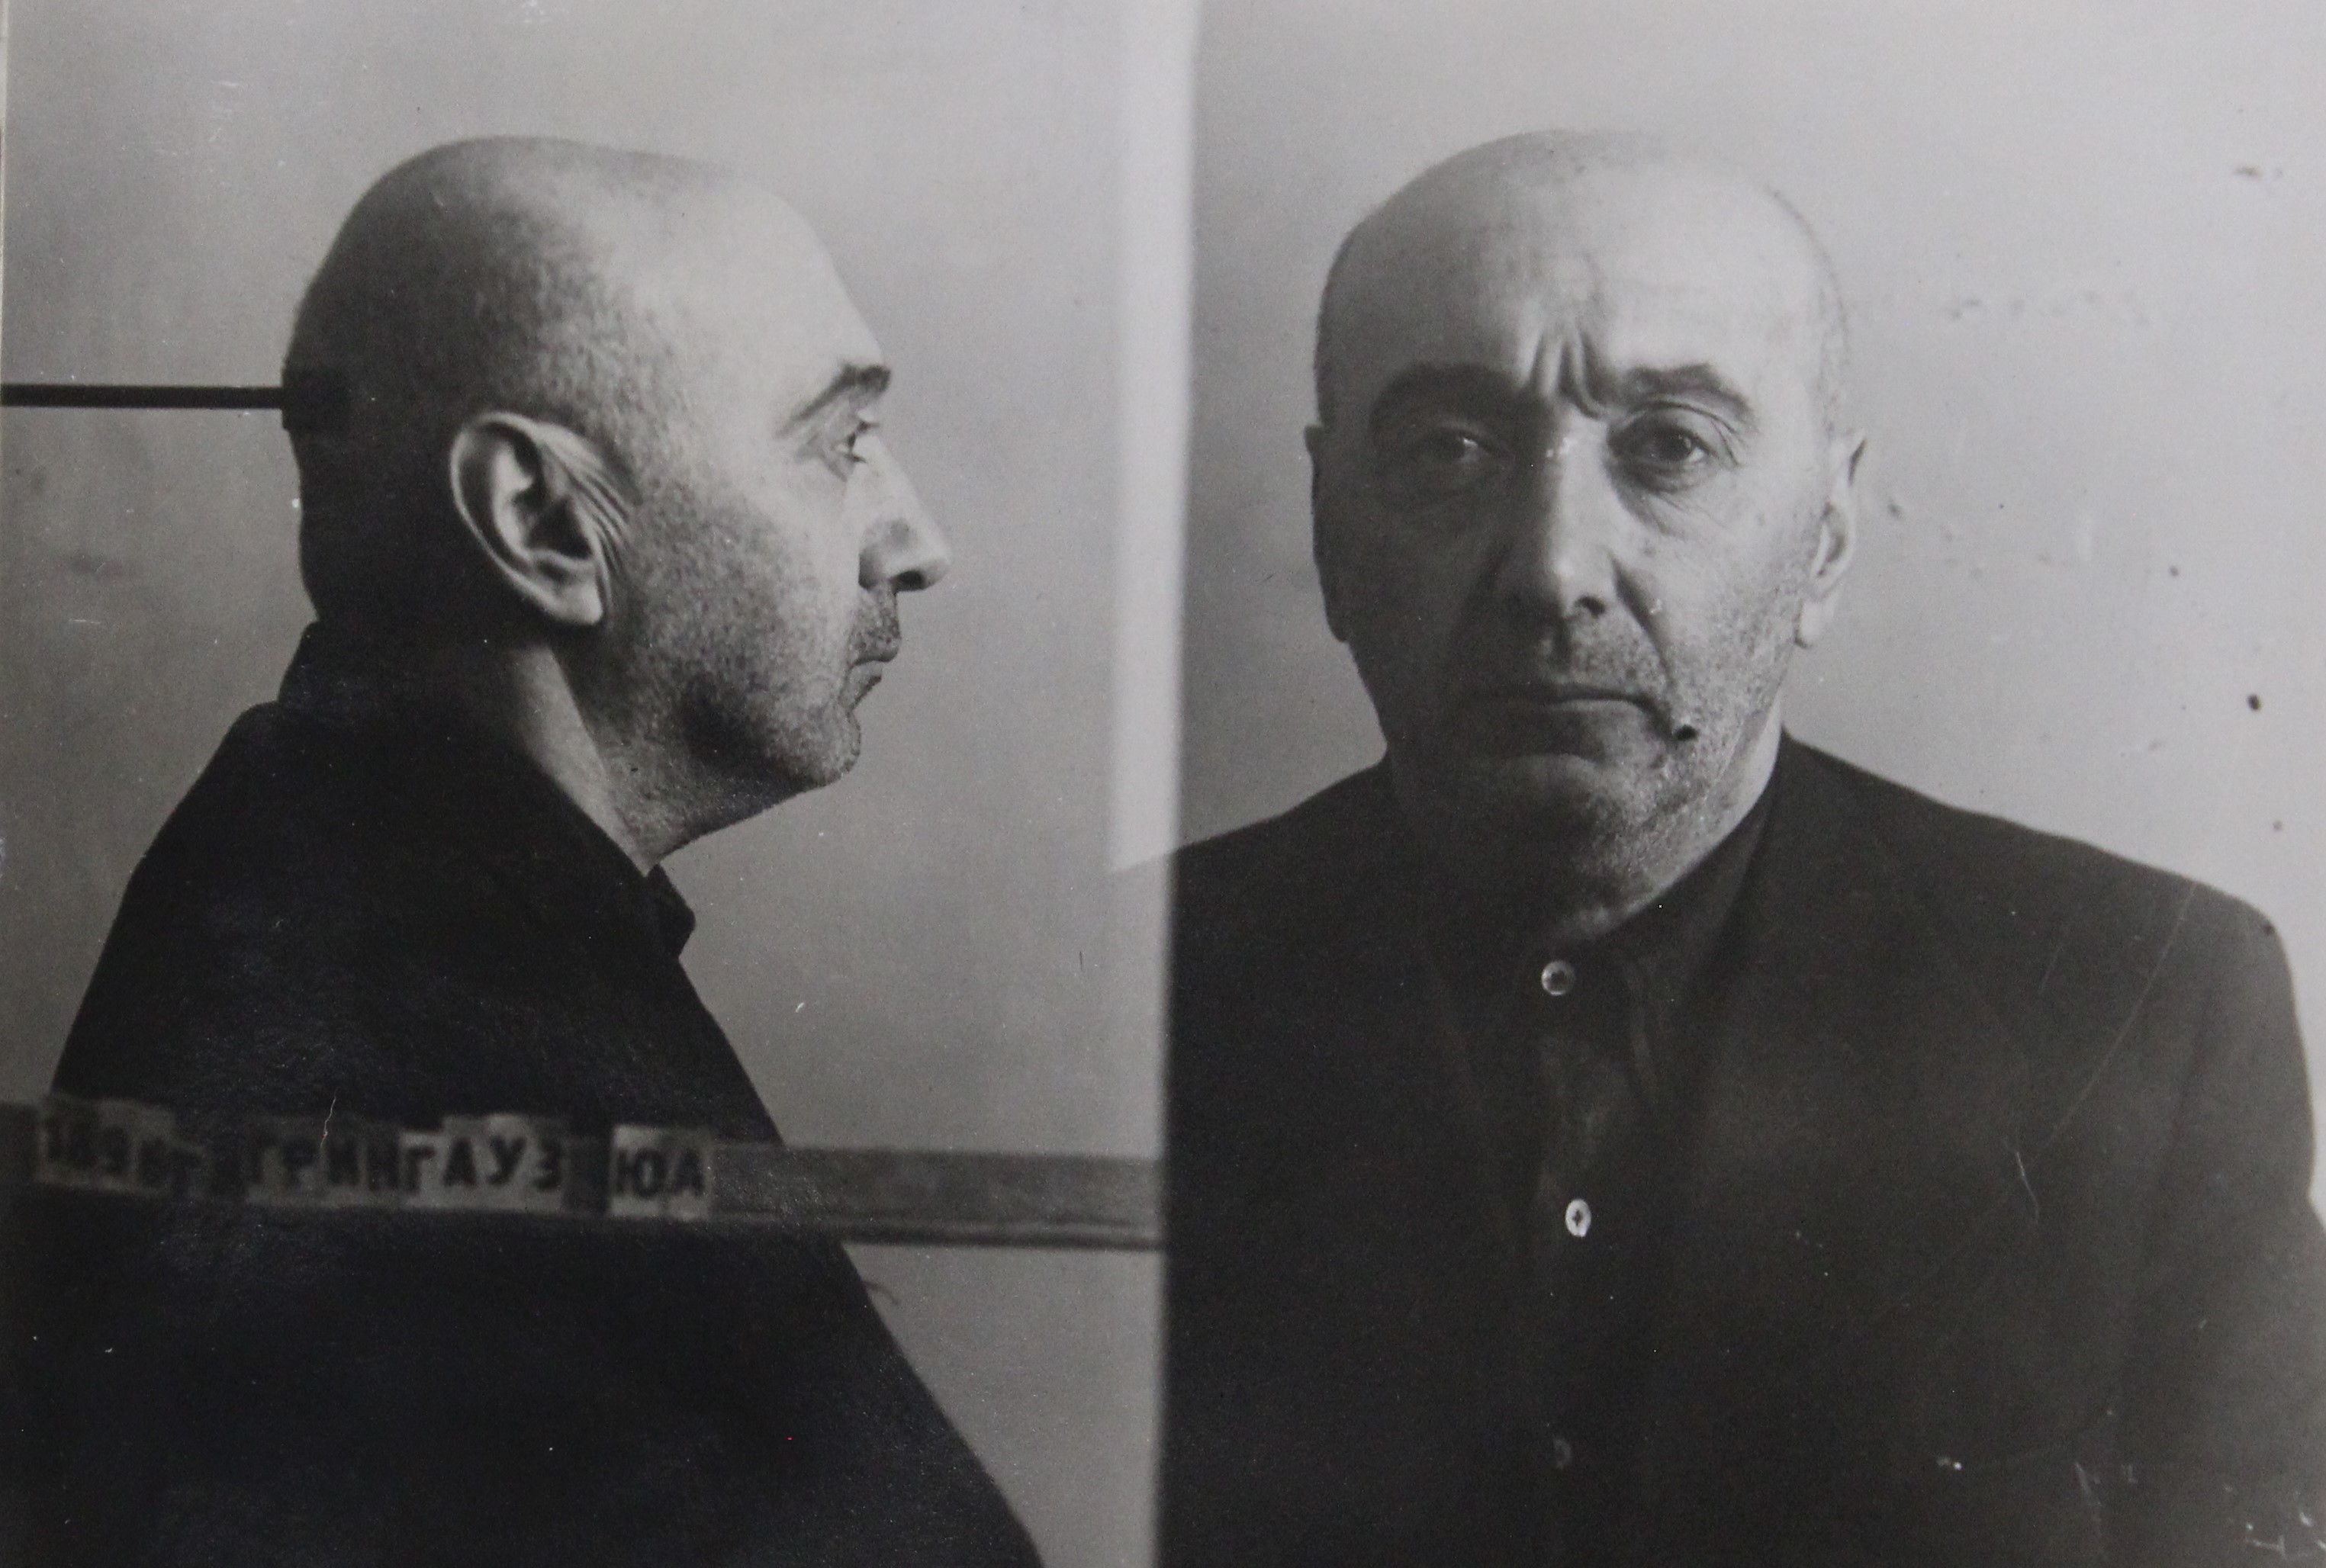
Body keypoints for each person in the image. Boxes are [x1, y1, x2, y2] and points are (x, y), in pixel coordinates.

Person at [1161, 130, 2326, 1566]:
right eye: (1449, 451)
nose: (1552, 569)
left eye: (1669, 448)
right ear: (1330, 530)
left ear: (1825, 537)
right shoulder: (1131, 994)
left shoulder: (2151, 1006)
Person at [26, 137, 1039, 1565]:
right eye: (839, 442)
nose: (916, 544)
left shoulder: (367, 886)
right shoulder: (414, 1022)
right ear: (543, 522)